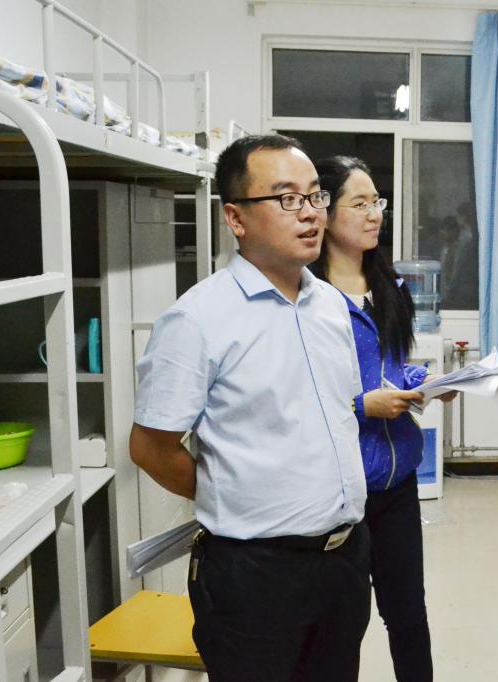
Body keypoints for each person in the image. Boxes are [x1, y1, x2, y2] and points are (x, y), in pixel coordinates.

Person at [129, 134, 371, 682]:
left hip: (344, 560)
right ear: (235, 218)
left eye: (315, 196)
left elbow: (338, 414)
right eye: (287, 198)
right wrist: (234, 492)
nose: (309, 213)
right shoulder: (197, 320)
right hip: (255, 574)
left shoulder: (331, 306)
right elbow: (149, 448)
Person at [311, 155, 452, 682]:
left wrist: (424, 384)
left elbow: (390, 367)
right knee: (340, 624)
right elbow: (302, 395)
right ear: (325, 212)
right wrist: (361, 406)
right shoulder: (309, 297)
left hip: (396, 483)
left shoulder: (388, 285)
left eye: (378, 202)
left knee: (408, 615)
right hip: (338, 491)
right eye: (360, 203)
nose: (375, 214)